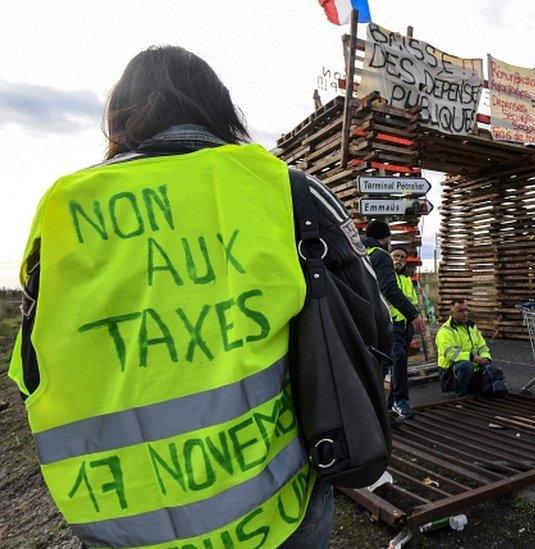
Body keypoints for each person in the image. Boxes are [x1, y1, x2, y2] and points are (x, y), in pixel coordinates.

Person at [5, 46, 382, 548]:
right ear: (221, 109)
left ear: (120, 118)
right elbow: (371, 319)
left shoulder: (63, 208)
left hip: (121, 517)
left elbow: (31, 368)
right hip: (275, 507)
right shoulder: (282, 189)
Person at [363, 221, 427, 419]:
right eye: (395, 256)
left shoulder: (362, 254)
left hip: (397, 325)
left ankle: (384, 407)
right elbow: (388, 289)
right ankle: (396, 403)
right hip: (388, 324)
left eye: (402, 257)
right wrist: (413, 314)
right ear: (385, 239)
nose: (398, 259)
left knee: (387, 364)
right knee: (394, 361)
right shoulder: (380, 257)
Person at [436, 299, 502, 396]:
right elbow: (451, 353)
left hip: (472, 367)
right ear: (452, 313)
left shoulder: (471, 327)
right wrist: (473, 357)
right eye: (460, 311)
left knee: (492, 369)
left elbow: (482, 346)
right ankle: (460, 395)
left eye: (466, 310)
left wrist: (486, 358)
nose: (465, 313)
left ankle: (473, 389)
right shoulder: (445, 331)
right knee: (465, 366)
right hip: (451, 372)